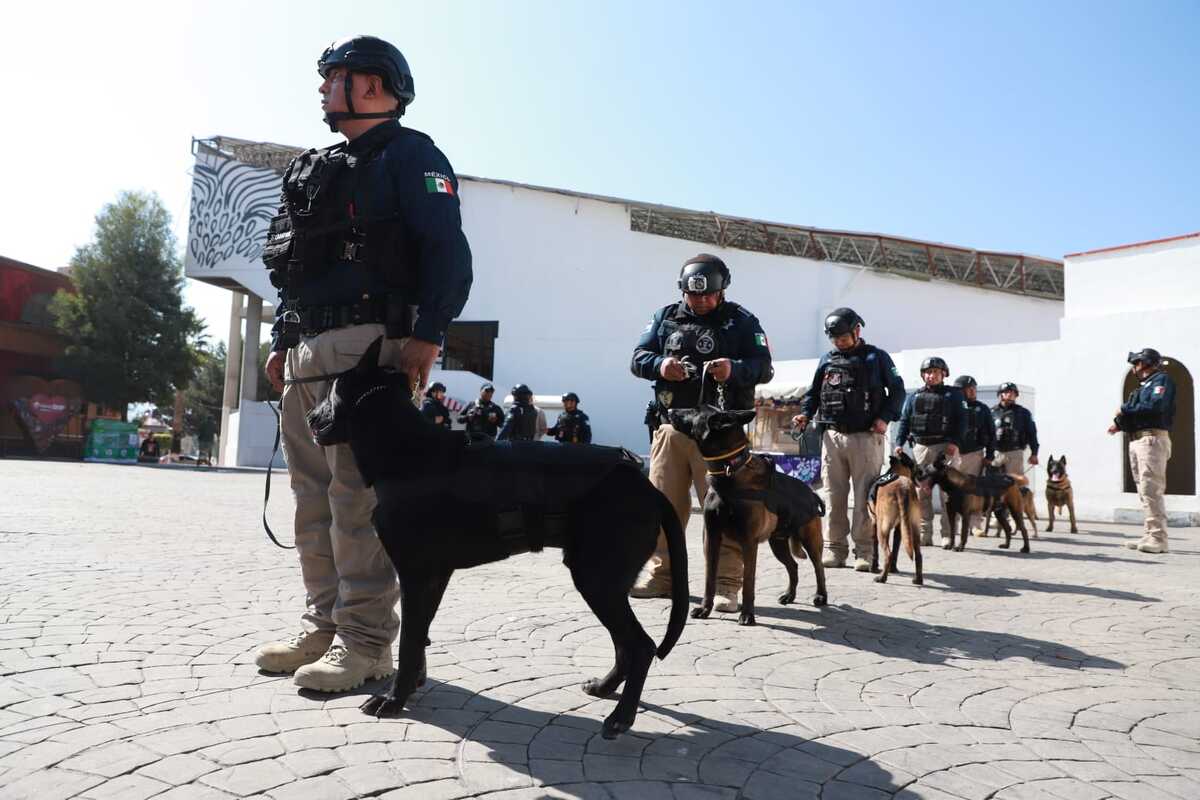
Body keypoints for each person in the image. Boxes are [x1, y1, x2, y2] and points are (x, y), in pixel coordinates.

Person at [256, 35, 472, 693]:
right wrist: (281, 337)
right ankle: (323, 625)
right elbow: (297, 266)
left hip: (368, 346)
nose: (322, 89)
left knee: (357, 500)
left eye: (334, 78)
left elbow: (447, 252)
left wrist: (428, 335)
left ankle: (367, 644)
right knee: (310, 498)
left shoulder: (414, 157)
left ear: (374, 86)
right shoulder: (317, 165)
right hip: (307, 351)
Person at [630, 254, 773, 611]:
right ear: (683, 292)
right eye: (695, 296)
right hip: (672, 430)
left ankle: (726, 584)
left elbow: (764, 367)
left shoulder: (742, 321)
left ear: (722, 290)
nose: (702, 301)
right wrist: (661, 365)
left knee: (726, 510)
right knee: (663, 506)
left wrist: (734, 369)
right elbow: (637, 358)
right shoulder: (664, 318)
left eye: (710, 295)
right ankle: (662, 576)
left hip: (722, 437)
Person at [792, 308, 904, 571]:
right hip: (832, 436)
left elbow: (897, 391)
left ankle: (864, 552)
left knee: (865, 495)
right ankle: (835, 549)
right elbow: (814, 393)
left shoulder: (877, 357)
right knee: (833, 495)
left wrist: (885, 418)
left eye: (843, 337)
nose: (839, 342)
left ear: (857, 331)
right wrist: (805, 415)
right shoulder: (826, 360)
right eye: (834, 339)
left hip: (866, 436)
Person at [1110, 348, 1177, 554]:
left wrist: (1125, 410)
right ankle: (1149, 533)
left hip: (1152, 439)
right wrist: (1118, 423)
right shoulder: (1142, 387)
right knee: (1143, 490)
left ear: (1146, 363)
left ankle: (1158, 538)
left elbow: (1155, 406)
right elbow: (1133, 409)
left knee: (1151, 489)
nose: (1134, 367)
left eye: (1137, 362)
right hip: (1138, 439)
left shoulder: (1161, 381)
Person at [895, 357, 966, 546]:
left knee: (947, 494)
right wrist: (899, 443)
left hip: (945, 448)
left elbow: (962, 421)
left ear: (943, 374)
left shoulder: (954, 395)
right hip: (921, 448)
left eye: (935, 372)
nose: (931, 375)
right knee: (921, 493)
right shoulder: (914, 397)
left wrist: (955, 442)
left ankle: (948, 534)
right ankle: (925, 533)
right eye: (927, 372)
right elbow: (904, 421)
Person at [953, 375, 997, 537]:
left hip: (975, 454)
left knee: (973, 491)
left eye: (974, 388)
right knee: (953, 491)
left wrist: (990, 455)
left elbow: (991, 433)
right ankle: (954, 524)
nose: (973, 391)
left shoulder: (982, 408)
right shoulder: (952, 406)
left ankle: (975, 524)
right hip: (954, 453)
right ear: (960, 390)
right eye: (969, 389)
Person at [992, 382, 1038, 479]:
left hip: (1014, 452)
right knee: (993, 483)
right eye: (1007, 392)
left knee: (1015, 483)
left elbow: (1032, 434)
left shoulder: (1023, 413)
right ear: (1000, 394)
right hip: (996, 452)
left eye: (1013, 393)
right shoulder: (991, 412)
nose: (1010, 394)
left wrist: (1034, 453)